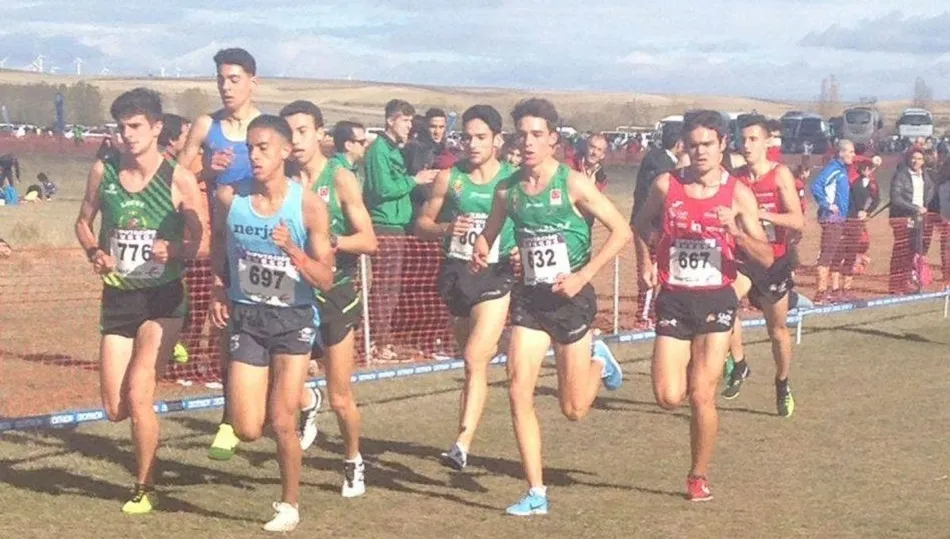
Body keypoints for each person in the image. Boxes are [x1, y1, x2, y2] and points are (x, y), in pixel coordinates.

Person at [472, 98, 628, 516]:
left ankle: (599, 360)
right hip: (531, 299)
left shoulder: (574, 184)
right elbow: (489, 234)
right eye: (522, 134)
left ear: (553, 140)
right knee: (517, 388)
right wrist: (482, 248)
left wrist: (584, 275)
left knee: (573, 409)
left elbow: (621, 231)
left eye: (537, 134)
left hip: (572, 299)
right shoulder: (507, 190)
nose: (527, 142)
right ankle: (536, 492)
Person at [633, 110, 774, 501]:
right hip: (675, 300)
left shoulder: (737, 193)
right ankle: (695, 369)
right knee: (667, 396)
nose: (699, 152)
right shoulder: (666, 185)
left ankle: (697, 475)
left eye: (707, 144)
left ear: (722, 145)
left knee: (701, 395)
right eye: (692, 145)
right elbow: (640, 224)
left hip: (716, 299)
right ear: (684, 147)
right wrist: (646, 260)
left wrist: (737, 233)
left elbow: (765, 257)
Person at [73, 88, 203, 513]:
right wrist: (95, 252)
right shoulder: (103, 171)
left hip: (162, 299)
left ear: (156, 128)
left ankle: (143, 487)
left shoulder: (177, 178)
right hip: (118, 298)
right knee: (115, 408)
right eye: (121, 127)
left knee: (140, 391)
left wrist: (176, 249)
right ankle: (143, 452)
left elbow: (201, 242)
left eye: (136, 126)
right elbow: (82, 222)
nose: (127, 135)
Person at [209, 114, 335, 532]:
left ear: (284, 151)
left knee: (281, 421)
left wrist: (292, 252)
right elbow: (219, 245)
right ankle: (303, 400)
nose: (256, 155)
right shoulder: (231, 198)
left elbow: (326, 277)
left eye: (264, 147)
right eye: (251, 147)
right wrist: (217, 287)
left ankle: (289, 504)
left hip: (292, 319)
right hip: (247, 316)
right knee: (246, 428)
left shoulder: (308, 205)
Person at [280, 103, 378, 498]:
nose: (296, 141)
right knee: (283, 387)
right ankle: (307, 403)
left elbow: (369, 240)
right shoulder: (283, 180)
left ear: (320, 133)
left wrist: (330, 242)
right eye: (289, 133)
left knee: (340, 397)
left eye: (303, 131)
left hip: (335, 294)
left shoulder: (339, 178)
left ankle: (353, 459)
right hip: (295, 295)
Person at [416, 104, 518, 471]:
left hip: (496, 273)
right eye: (467, 137)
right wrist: (446, 229)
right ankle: (587, 354)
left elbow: (532, 221)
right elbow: (422, 223)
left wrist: (520, 247)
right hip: (457, 275)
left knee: (476, 358)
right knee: (472, 360)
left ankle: (462, 442)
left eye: (481, 138)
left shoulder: (512, 179)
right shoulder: (450, 178)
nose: (472, 145)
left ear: (498, 140)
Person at [177, 47, 261, 461]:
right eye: (221, 79)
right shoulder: (206, 125)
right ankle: (229, 419)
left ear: (252, 81)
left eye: (234, 79)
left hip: (264, 246)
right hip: (224, 246)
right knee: (228, 333)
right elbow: (174, 177)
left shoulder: (265, 129)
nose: (226, 87)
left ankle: (297, 400)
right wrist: (208, 168)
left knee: (269, 335)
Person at [719, 115, 804, 418]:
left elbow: (798, 220)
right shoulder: (736, 178)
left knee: (777, 331)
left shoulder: (779, 174)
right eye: (743, 139)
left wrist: (766, 217)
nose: (747, 145)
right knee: (724, 304)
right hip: (745, 259)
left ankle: (782, 382)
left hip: (774, 261)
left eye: (753, 139)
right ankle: (740, 364)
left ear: (768, 142)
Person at [363, 100, 438, 360]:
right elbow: (382, 188)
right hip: (384, 225)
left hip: (397, 225)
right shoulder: (378, 151)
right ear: (391, 120)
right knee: (384, 286)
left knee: (391, 287)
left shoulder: (394, 150)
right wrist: (413, 180)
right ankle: (376, 341)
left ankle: (382, 338)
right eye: (405, 120)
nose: (409, 126)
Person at [631, 122, 684, 329]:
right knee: (650, 267)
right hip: (650, 225)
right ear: (679, 143)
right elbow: (651, 197)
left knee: (656, 267)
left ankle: (650, 311)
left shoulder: (657, 158)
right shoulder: (660, 164)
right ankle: (643, 316)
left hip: (653, 224)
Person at [810, 139, 854, 303]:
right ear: (841, 153)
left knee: (835, 252)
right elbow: (816, 186)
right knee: (827, 254)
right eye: (850, 152)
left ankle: (827, 290)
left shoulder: (842, 170)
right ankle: (820, 293)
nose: (853, 155)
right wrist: (827, 204)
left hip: (840, 219)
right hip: (831, 219)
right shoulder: (833, 169)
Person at [888, 148, 935, 294]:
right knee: (901, 250)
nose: (916, 161)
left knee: (913, 251)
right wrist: (914, 208)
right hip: (903, 217)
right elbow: (895, 198)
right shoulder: (901, 175)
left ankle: (906, 282)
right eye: (914, 158)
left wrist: (924, 208)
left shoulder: (926, 175)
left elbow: (929, 191)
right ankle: (895, 285)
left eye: (920, 159)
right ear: (908, 159)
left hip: (919, 218)